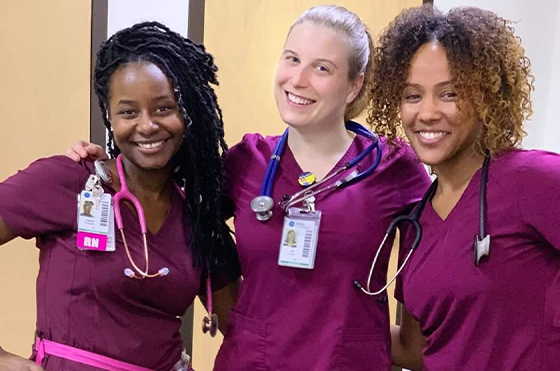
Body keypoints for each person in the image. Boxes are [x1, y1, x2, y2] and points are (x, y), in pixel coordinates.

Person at [66, 6, 430, 370]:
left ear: (354, 85)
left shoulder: (393, 168)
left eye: (322, 68)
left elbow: (443, 250)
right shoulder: (248, 161)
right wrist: (105, 166)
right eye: (292, 59)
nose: (298, 79)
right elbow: (167, 210)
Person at [0, 22, 239, 371]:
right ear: (110, 118)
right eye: (128, 112)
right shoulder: (69, 179)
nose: (146, 126)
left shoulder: (198, 216)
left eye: (163, 108)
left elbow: (244, 327)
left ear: (189, 114)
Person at [368, 5, 560, 370]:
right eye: (412, 95)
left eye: (449, 94)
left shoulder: (532, 180)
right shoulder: (415, 223)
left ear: (486, 97)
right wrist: (318, 310)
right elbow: (415, 348)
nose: (426, 113)